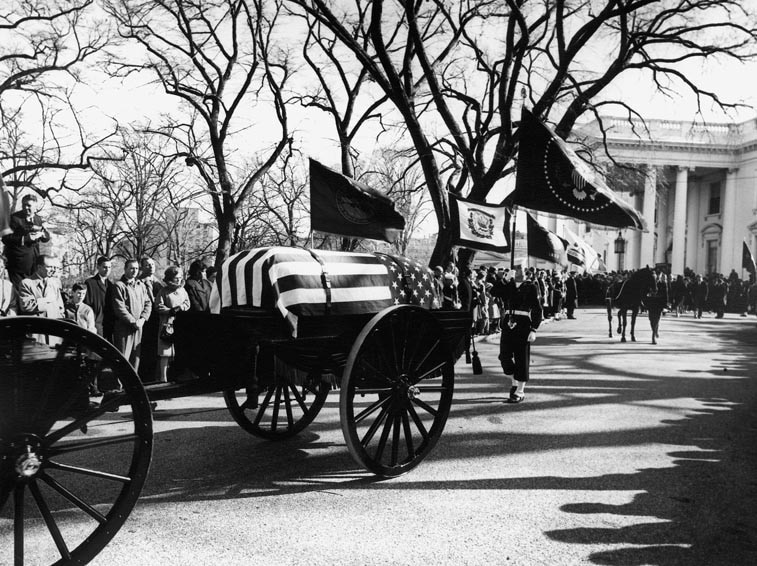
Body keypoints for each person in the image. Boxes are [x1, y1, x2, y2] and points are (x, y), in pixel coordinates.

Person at [491, 264, 543, 403]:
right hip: (508, 322)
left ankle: (520, 390)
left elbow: (537, 309)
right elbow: (494, 292)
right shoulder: (509, 285)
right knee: (504, 356)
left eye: (521, 270)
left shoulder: (531, 287)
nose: (519, 272)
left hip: (523, 323)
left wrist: (534, 329)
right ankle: (514, 381)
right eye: (516, 270)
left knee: (521, 358)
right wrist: (504, 280)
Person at [1, 194, 51, 287]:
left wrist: (43, 235)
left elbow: (46, 237)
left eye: (29, 205)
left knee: (31, 290)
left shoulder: (38, 219)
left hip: (34, 263)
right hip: (17, 264)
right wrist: (26, 238)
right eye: (24, 205)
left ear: (36, 206)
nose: (25, 207)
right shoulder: (13, 218)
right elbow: (5, 238)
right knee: (19, 292)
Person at [112, 258, 152, 372]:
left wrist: (143, 319)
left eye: (136, 268)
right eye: (131, 268)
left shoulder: (141, 285)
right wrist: (133, 322)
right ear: (125, 269)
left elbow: (148, 303)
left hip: (139, 327)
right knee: (123, 357)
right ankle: (119, 386)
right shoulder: (119, 286)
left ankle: (132, 386)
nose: (134, 271)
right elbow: (119, 308)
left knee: (136, 357)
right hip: (124, 328)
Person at [18, 255, 65, 345]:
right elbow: (27, 306)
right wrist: (47, 300)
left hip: (54, 334)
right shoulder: (26, 283)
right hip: (36, 334)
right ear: (39, 267)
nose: (53, 270)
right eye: (49, 267)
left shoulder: (54, 284)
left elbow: (60, 309)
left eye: (54, 267)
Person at [155, 266, 190, 383]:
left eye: (180, 278)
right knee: (165, 352)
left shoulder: (182, 291)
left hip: (180, 323)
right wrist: (169, 310)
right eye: (176, 278)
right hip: (167, 324)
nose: (178, 280)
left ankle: (176, 375)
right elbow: (158, 306)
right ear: (170, 278)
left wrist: (180, 308)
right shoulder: (163, 291)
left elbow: (187, 303)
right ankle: (163, 377)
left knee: (178, 351)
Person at [138, 256, 164, 381]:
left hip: (157, 320)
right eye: (147, 265)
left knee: (154, 349)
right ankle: (142, 376)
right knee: (143, 349)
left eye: (152, 264)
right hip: (143, 320)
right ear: (142, 267)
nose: (151, 267)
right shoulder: (138, 282)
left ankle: (153, 376)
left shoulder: (158, 282)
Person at [84, 255, 115, 339]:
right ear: (98, 267)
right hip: (95, 323)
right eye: (104, 267)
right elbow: (87, 305)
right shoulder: (90, 283)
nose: (107, 270)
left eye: (109, 267)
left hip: (108, 325)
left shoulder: (111, 285)